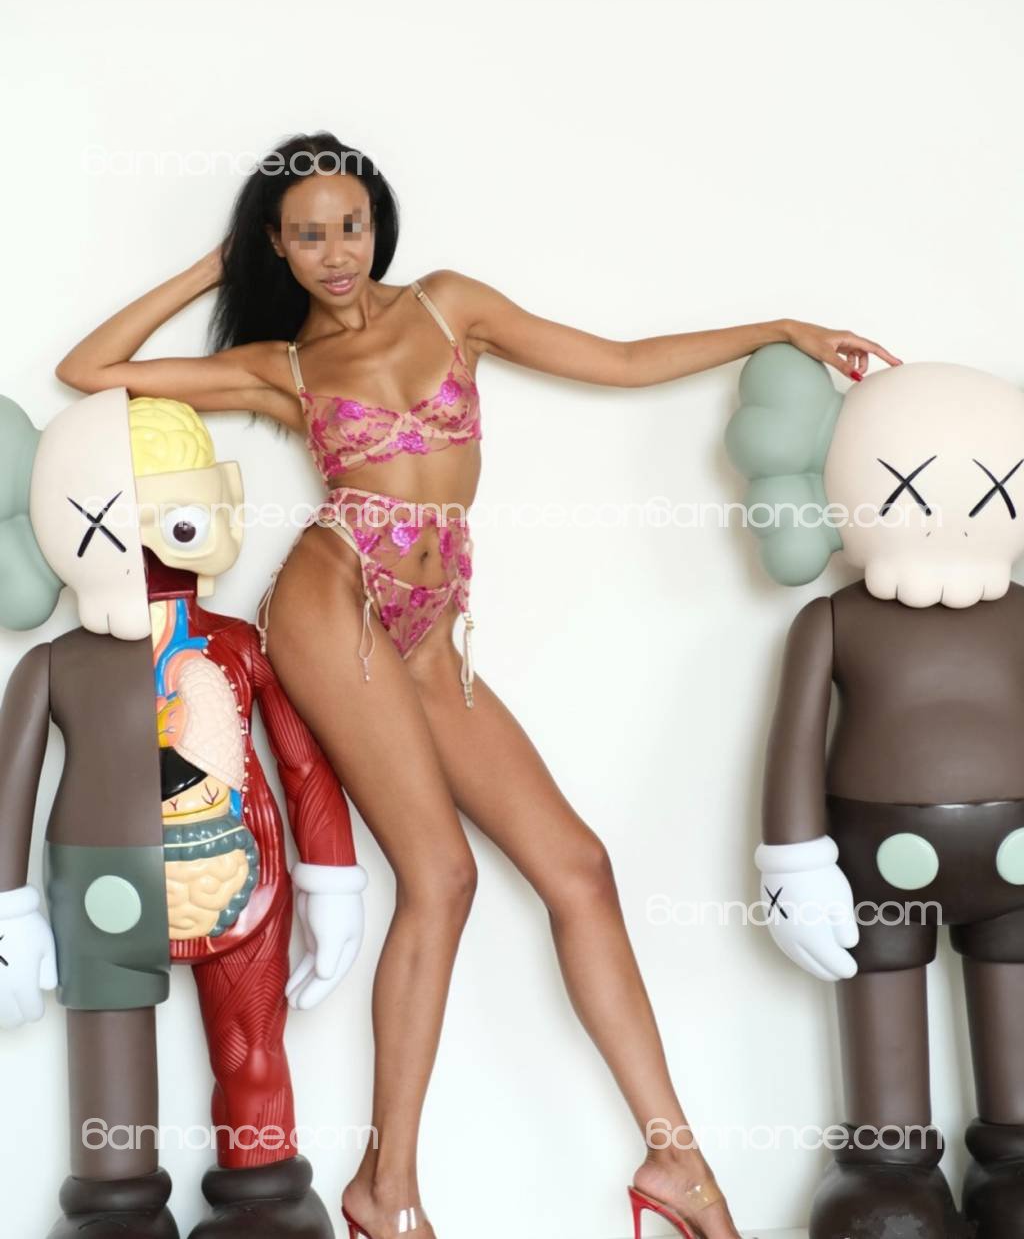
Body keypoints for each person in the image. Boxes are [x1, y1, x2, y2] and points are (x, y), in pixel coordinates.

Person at [57, 132, 901, 1239]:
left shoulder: (450, 306)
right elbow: (90, 370)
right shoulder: (282, 366)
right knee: (441, 876)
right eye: (307, 235)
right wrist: (212, 268)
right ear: (278, 243)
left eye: (351, 225)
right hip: (333, 600)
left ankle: (676, 1161)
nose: (336, 252)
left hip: (429, 627)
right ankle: (387, 1186)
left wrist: (777, 328)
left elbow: (619, 357)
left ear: (378, 223)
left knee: (578, 867)